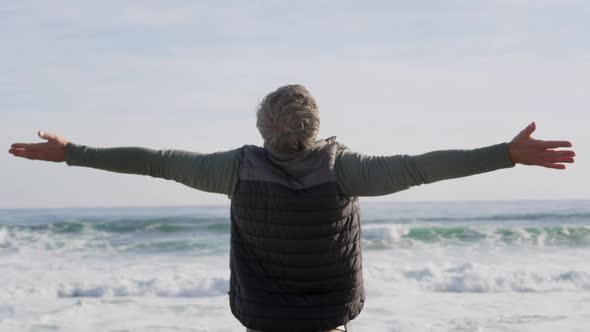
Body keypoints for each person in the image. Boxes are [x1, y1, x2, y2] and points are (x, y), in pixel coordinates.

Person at [8, 84, 575, 332]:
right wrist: (506, 155)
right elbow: (425, 165)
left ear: (262, 128)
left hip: (264, 319)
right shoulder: (346, 170)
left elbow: (151, 160)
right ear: (315, 127)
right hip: (328, 317)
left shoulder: (231, 169)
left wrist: (70, 154)